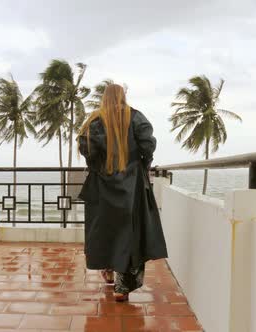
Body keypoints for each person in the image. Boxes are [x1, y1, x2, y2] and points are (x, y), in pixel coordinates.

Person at [77, 83, 168, 302]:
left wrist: (98, 166)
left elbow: (85, 147)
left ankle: (107, 268)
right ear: (123, 95)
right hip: (131, 185)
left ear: (104, 98)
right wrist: (141, 164)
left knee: (104, 229)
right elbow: (148, 145)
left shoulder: (94, 120)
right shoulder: (136, 117)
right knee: (129, 232)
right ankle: (121, 287)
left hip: (101, 186)